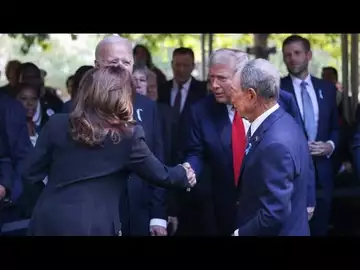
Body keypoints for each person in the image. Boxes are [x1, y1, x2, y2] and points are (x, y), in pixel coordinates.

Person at [22, 65, 196, 236]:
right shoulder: (127, 136)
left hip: (47, 221)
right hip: (95, 226)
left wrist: (48, 199)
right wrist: (184, 174)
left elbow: (29, 174)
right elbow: (161, 175)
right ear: (123, 96)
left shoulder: (56, 124)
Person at [95, 35, 168, 236]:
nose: (120, 68)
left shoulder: (148, 107)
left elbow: (158, 160)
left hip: (140, 214)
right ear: (96, 65)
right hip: (95, 217)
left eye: (126, 62)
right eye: (112, 62)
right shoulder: (74, 110)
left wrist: (158, 215)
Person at [230, 58, 310, 236]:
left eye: (234, 92)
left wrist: (239, 234)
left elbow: (274, 213)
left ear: (251, 95)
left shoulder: (275, 143)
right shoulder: (284, 120)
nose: (231, 99)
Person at [280, 35, 339, 236]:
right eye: (287, 55)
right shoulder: (276, 90)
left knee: (320, 229)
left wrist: (330, 145)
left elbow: (336, 128)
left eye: (297, 53)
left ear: (309, 55)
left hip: (323, 174)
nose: (292, 59)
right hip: (291, 176)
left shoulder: (328, 89)